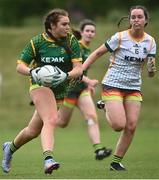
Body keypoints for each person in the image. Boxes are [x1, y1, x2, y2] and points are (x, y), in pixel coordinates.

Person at [2, 8, 83, 174]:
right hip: (39, 85)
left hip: (60, 89)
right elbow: (20, 66)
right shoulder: (37, 42)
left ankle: (9, 148)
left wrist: (64, 76)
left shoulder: (71, 41)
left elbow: (78, 70)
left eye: (68, 23)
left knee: (32, 131)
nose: (68, 27)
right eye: (64, 24)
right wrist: (33, 72)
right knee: (52, 119)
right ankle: (48, 159)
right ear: (52, 26)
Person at [83, 6, 156, 171]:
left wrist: (152, 70)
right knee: (118, 125)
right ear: (129, 20)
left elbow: (151, 71)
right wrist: (82, 70)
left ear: (146, 20)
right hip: (113, 83)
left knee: (131, 126)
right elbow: (97, 53)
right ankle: (104, 106)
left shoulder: (151, 41)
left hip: (133, 87)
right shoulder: (120, 37)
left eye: (139, 17)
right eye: (133, 17)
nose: (136, 20)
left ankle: (116, 162)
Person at [56, 19, 112, 160]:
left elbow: (82, 72)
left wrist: (86, 84)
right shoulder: (77, 47)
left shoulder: (87, 49)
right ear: (81, 32)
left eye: (92, 31)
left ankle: (98, 149)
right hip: (69, 91)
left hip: (82, 91)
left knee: (92, 117)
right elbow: (72, 70)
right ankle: (45, 119)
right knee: (62, 123)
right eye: (87, 30)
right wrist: (89, 81)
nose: (90, 33)